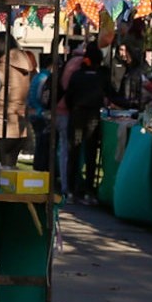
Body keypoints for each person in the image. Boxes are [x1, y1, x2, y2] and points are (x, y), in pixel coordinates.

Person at [63, 43, 120, 204]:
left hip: (77, 113)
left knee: (74, 153)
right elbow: (112, 94)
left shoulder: (77, 75)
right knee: (91, 154)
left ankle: (71, 190)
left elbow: (68, 97)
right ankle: (89, 190)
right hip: (93, 115)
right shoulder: (101, 76)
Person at [0, 30, 36, 168]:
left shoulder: (0, 70)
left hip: (3, 124)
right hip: (20, 125)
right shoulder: (25, 69)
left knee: (2, 168)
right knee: (10, 168)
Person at [54, 43, 86, 194]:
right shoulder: (78, 64)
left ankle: (65, 182)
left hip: (61, 109)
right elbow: (69, 88)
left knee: (63, 148)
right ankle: (67, 184)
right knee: (68, 149)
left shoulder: (69, 63)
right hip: (68, 110)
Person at [27, 52, 53, 173]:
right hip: (40, 113)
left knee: (39, 142)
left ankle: (38, 167)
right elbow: (41, 97)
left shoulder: (38, 76)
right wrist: (44, 110)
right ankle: (41, 168)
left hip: (33, 112)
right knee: (43, 143)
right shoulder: (45, 78)